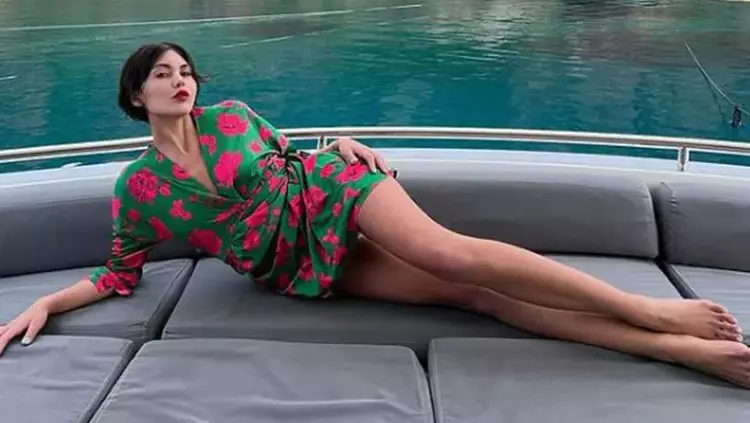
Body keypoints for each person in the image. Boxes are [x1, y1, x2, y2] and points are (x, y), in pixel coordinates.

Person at [1, 42, 748, 388]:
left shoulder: (233, 116)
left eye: (187, 70)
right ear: (136, 96)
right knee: (476, 296)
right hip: (293, 261)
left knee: (450, 254)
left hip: (331, 189)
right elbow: (118, 274)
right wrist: (45, 304)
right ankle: (673, 351)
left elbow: (291, 156)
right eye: (163, 74)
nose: (181, 80)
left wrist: (340, 145)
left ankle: (652, 312)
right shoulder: (139, 189)